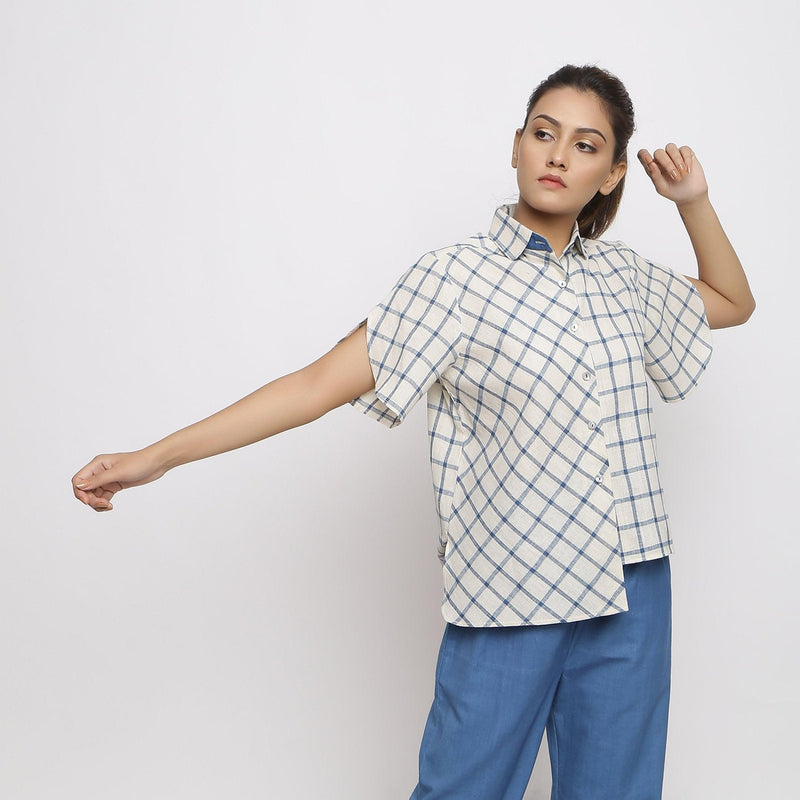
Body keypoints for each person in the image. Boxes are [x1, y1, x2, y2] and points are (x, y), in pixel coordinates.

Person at [72, 64, 755, 799]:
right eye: (543, 133)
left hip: (634, 580)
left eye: (585, 145)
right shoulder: (452, 279)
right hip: (515, 583)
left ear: (614, 173)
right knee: (464, 787)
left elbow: (729, 300)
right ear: (517, 145)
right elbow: (314, 385)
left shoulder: (623, 278)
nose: (558, 156)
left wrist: (694, 203)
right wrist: (156, 458)